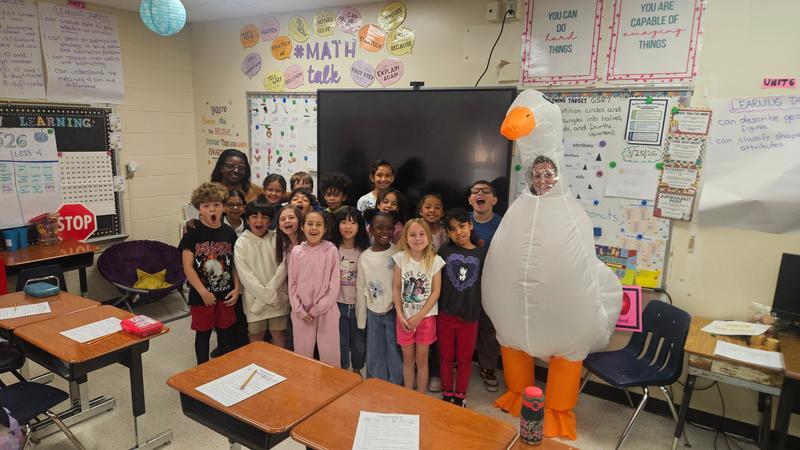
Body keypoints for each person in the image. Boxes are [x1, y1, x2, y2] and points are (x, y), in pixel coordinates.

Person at [179, 182, 240, 364]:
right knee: (203, 334)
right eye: (206, 206)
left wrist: (237, 288)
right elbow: (187, 267)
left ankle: (223, 369)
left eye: (216, 205)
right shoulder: (192, 234)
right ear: (199, 209)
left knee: (225, 333)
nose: (212, 209)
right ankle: (202, 369)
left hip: (226, 293)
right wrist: (203, 292)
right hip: (201, 296)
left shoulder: (229, 233)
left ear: (223, 207)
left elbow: (234, 264)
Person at [437, 208, 486, 407]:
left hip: (470, 316)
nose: (458, 232)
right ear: (447, 233)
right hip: (445, 314)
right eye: (452, 229)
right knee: (446, 357)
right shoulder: (443, 252)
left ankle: (460, 395)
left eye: (462, 226)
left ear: (471, 225)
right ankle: (447, 392)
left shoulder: (481, 253)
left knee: (465, 358)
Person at [393, 218, 445, 393]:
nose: (417, 238)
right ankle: (409, 395)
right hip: (404, 319)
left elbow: (436, 292)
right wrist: (400, 314)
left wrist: (420, 315)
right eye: (412, 234)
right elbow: (396, 287)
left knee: (422, 361)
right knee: (408, 360)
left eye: (422, 234)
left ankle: (420, 397)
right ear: (406, 238)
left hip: (426, 319)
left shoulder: (435, 260)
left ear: (429, 237)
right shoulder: (400, 258)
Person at [234, 200, 290, 348]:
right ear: (247, 220)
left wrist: (267, 296)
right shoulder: (241, 242)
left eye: (264, 217)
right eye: (254, 216)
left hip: (278, 298)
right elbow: (245, 276)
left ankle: (278, 363)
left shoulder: (278, 238)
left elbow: (283, 268)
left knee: (278, 333)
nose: (259, 221)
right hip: (254, 301)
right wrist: (265, 298)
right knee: (256, 335)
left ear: (270, 221)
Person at [288, 210, 341, 366]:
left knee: (330, 355)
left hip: (327, 310)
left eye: (319, 224)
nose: (314, 228)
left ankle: (330, 381)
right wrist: (299, 310)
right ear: (302, 227)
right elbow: (292, 285)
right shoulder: (296, 251)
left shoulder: (331, 250)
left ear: (325, 229)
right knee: (302, 356)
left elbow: (334, 285)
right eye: (310, 224)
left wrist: (318, 309)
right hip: (302, 312)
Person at [357, 210, 403, 384]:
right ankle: (377, 383)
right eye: (379, 227)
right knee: (374, 350)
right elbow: (361, 289)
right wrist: (361, 320)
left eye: (389, 228)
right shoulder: (364, 257)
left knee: (394, 349)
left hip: (394, 312)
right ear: (370, 229)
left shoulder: (398, 253)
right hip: (373, 312)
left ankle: (396, 383)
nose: (385, 232)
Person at [468, 180, 503, 392]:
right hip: (463, 283)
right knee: (461, 323)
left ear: (494, 199)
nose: (480, 194)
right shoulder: (462, 221)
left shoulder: (503, 224)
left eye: (485, 191)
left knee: (488, 328)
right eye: (475, 191)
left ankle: (488, 367)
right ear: (470, 199)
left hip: (491, 283)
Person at [333, 207, 370, 373]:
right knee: (340, 342)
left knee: (359, 343)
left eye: (353, 223)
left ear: (359, 226)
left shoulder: (365, 250)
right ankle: (342, 371)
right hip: (337, 304)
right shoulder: (332, 249)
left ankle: (357, 371)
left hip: (359, 305)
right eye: (343, 222)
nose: (348, 226)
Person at [418, 193, 447, 392]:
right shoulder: (414, 229)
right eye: (428, 207)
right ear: (420, 210)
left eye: (437, 207)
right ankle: (416, 367)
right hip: (417, 289)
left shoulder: (446, 232)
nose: (432, 211)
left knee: (437, 333)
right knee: (418, 331)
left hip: (442, 288)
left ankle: (435, 372)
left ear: (442, 212)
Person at [275, 205, 303, 351]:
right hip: (293, 298)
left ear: (300, 220)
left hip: (308, 299)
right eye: (283, 219)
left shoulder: (307, 244)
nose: (287, 221)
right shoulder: (285, 244)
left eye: (291, 217)